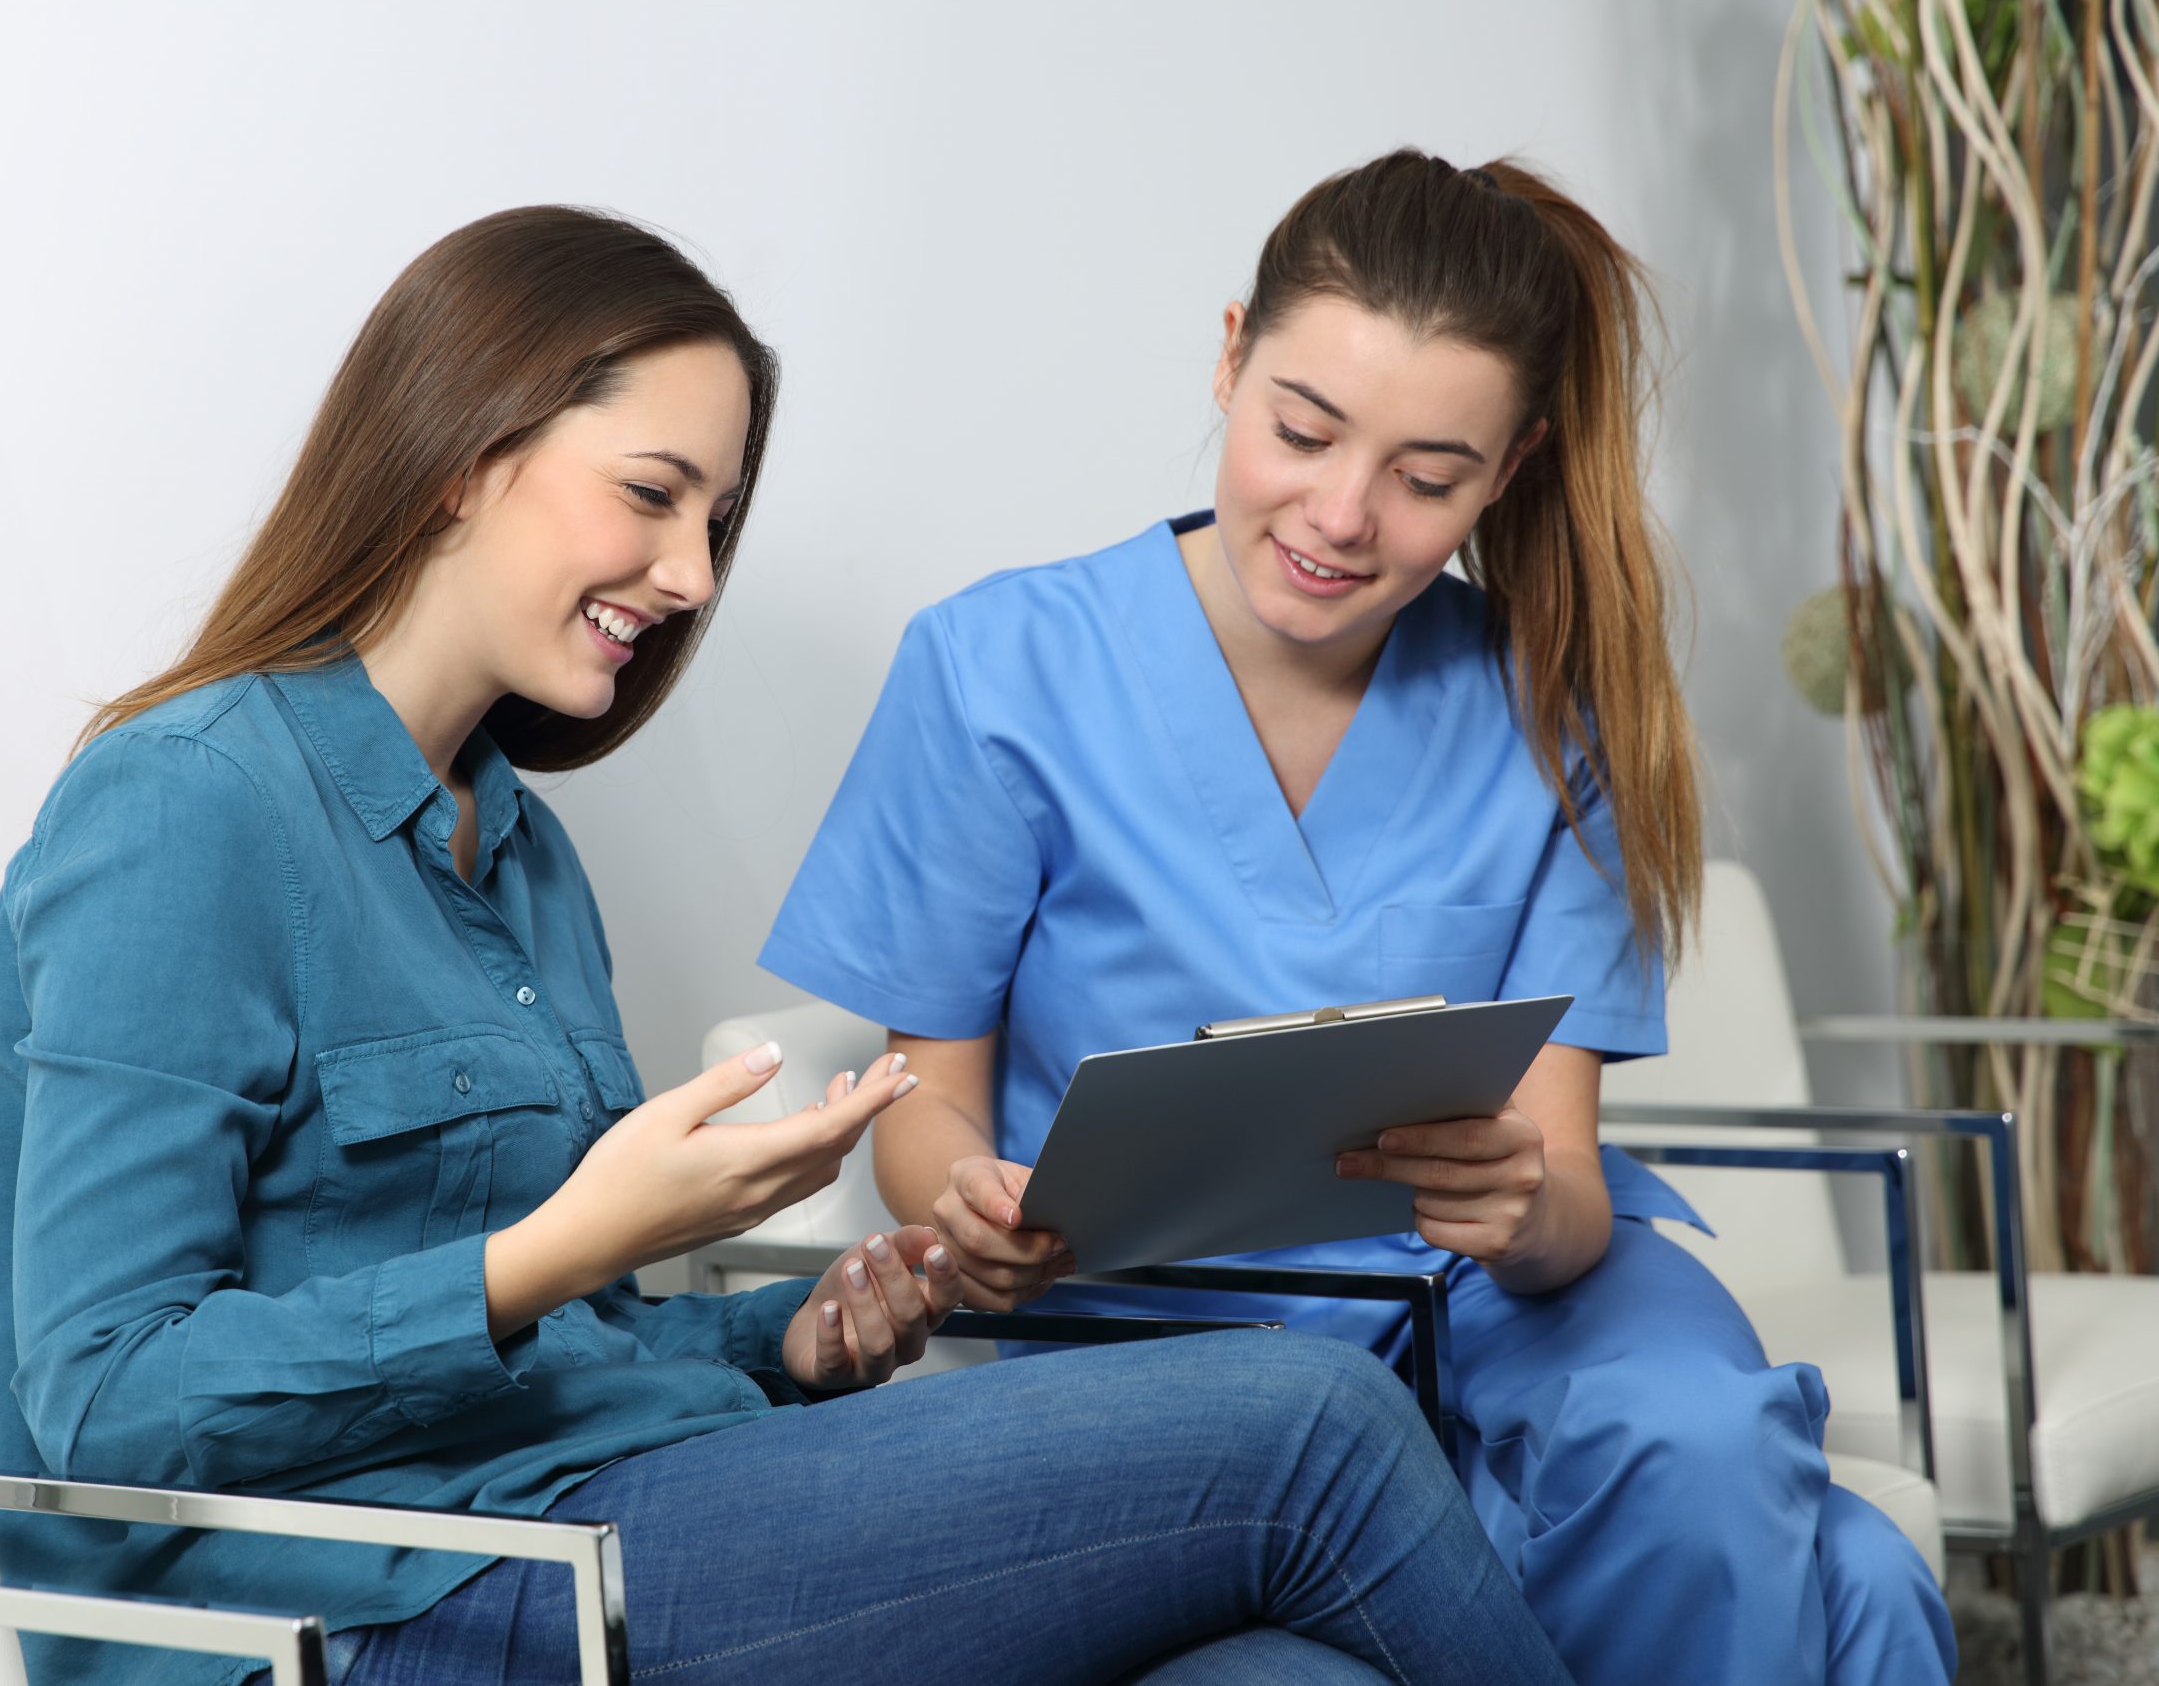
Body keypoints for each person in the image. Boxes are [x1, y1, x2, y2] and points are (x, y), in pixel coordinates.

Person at [0, 205, 1577, 1686]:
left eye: (715, 519)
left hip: (603, 1505)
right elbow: (106, 1407)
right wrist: (569, 1245)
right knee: (1309, 1424)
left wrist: (789, 1337)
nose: (688, 576)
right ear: (462, 450)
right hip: (375, 1606)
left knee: (1277, 1675)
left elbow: (566, 1351)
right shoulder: (185, 808)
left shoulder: (517, 851)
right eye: (652, 496)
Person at [759, 152, 1957, 1686]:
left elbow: (1569, 1186)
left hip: (1517, 1309)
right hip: (1170, 1356)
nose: (1341, 513)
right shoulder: (996, 672)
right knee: (1855, 1584)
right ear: (1229, 355)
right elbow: (925, 1112)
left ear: (1509, 471)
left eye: (1427, 477)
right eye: (1301, 430)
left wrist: (1524, 1212)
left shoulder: (1555, 704)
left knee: (1701, 1448)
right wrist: (968, 1208)